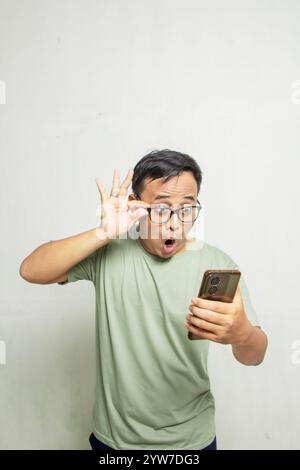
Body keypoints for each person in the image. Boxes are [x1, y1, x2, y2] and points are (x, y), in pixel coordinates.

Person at [19, 149, 268, 450]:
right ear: (135, 206)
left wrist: (241, 334)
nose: (176, 223)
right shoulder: (108, 253)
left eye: (187, 209)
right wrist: (103, 232)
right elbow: (31, 270)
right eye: (162, 209)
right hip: (115, 442)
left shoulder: (216, 263)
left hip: (192, 442)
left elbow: (254, 356)